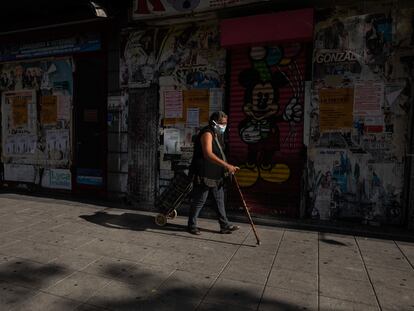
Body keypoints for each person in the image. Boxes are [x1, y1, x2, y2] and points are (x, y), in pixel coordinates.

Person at [187, 111, 240, 235]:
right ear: (214, 122)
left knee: (219, 200)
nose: (224, 126)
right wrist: (227, 165)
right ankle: (191, 225)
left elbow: (219, 153)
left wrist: (228, 168)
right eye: (222, 123)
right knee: (200, 199)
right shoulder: (207, 133)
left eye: (225, 123)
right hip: (204, 172)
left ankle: (224, 225)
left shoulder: (217, 134)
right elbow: (208, 154)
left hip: (216, 174)